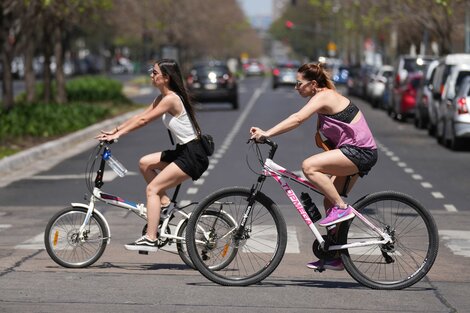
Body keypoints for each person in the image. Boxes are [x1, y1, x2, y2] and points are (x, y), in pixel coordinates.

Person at [249, 62, 377, 271]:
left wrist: (267, 133)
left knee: (309, 167)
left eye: (299, 83)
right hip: (355, 152)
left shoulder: (324, 96)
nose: (296, 87)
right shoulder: (322, 97)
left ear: (313, 84)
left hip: (360, 152)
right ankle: (336, 255)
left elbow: (298, 118)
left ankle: (342, 209)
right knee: (328, 199)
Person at [96, 59, 209, 252]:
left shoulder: (171, 99)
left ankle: (151, 237)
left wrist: (118, 135)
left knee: (152, 189)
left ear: (166, 78)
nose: (151, 75)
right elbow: (139, 116)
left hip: (192, 154)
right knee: (145, 163)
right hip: (183, 150)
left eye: (155, 72)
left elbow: (144, 121)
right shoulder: (161, 98)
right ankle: (164, 204)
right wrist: (114, 130)